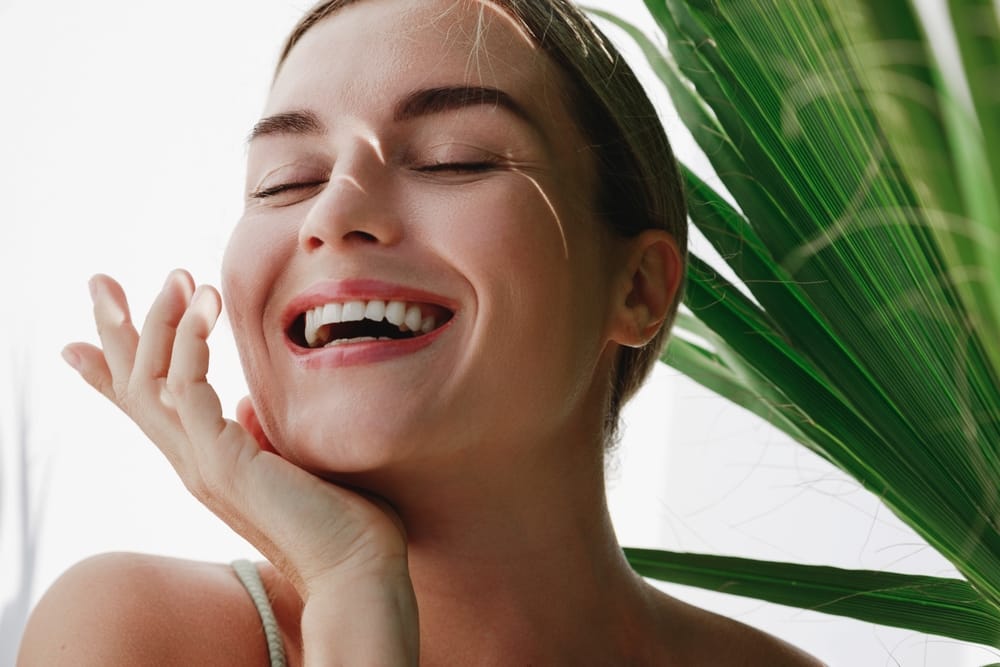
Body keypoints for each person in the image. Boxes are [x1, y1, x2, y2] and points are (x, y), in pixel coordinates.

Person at [18, 0, 822, 664]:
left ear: (638, 287)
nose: (332, 213)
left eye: (452, 160)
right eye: (285, 179)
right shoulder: (135, 636)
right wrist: (351, 593)